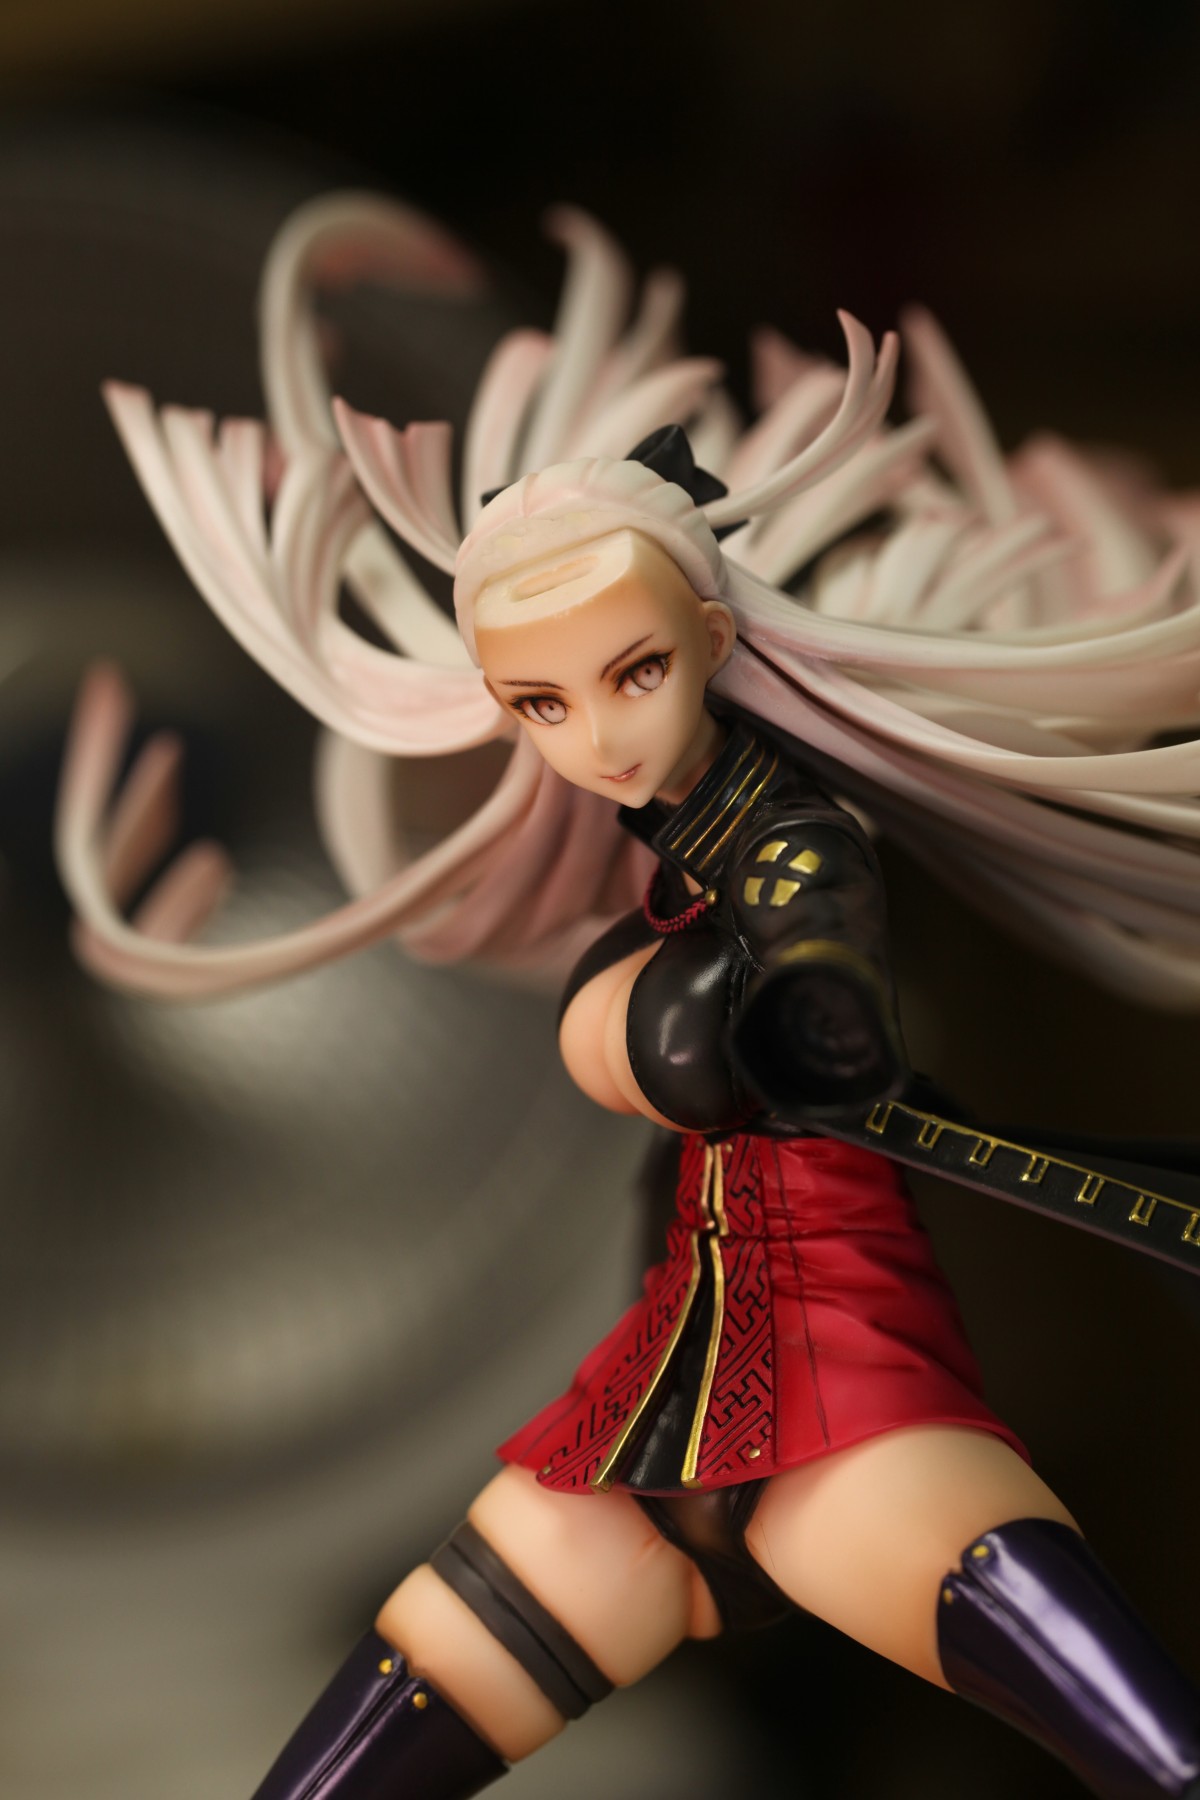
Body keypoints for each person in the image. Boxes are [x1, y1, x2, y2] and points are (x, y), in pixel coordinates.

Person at [56, 198, 1200, 1797]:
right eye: (539, 704)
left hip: (835, 1360)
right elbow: (661, 1020)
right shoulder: (663, 853)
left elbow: (814, 959)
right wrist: (647, 1011)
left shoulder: (791, 842)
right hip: (675, 1373)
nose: (591, 738)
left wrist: (786, 1011)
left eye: (634, 675)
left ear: (712, 639)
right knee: (448, 1644)